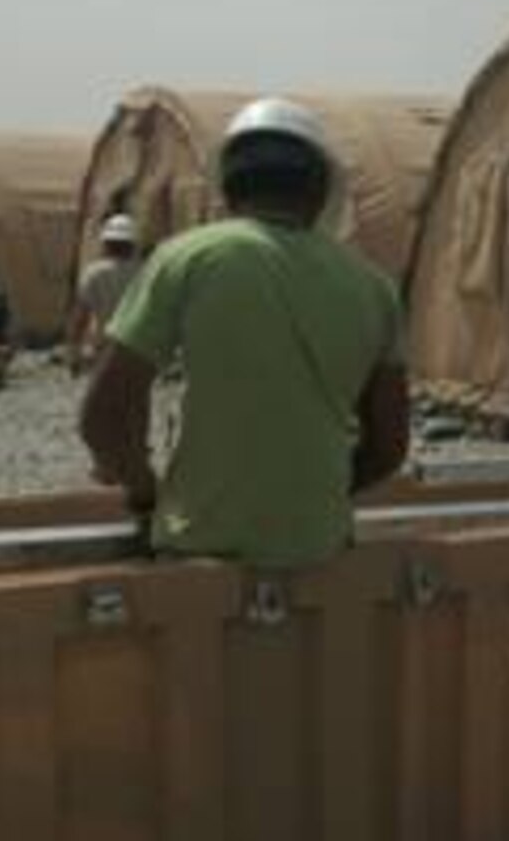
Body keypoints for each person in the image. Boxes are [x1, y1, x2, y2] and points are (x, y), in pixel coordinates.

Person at [79, 97, 410, 566]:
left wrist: (147, 494)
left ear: (229, 187)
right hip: (321, 554)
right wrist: (317, 495)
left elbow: (104, 418)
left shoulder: (186, 258)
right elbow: (388, 447)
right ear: (320, 192)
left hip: (199, 553)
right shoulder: (374, 289)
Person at [66, 213, 143, 375]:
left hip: (103, 347)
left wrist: (74, 352)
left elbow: (81, 315)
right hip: (136, 348)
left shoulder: (93, 273)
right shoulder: (144, 272)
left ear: (106, 243)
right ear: (132, 244)